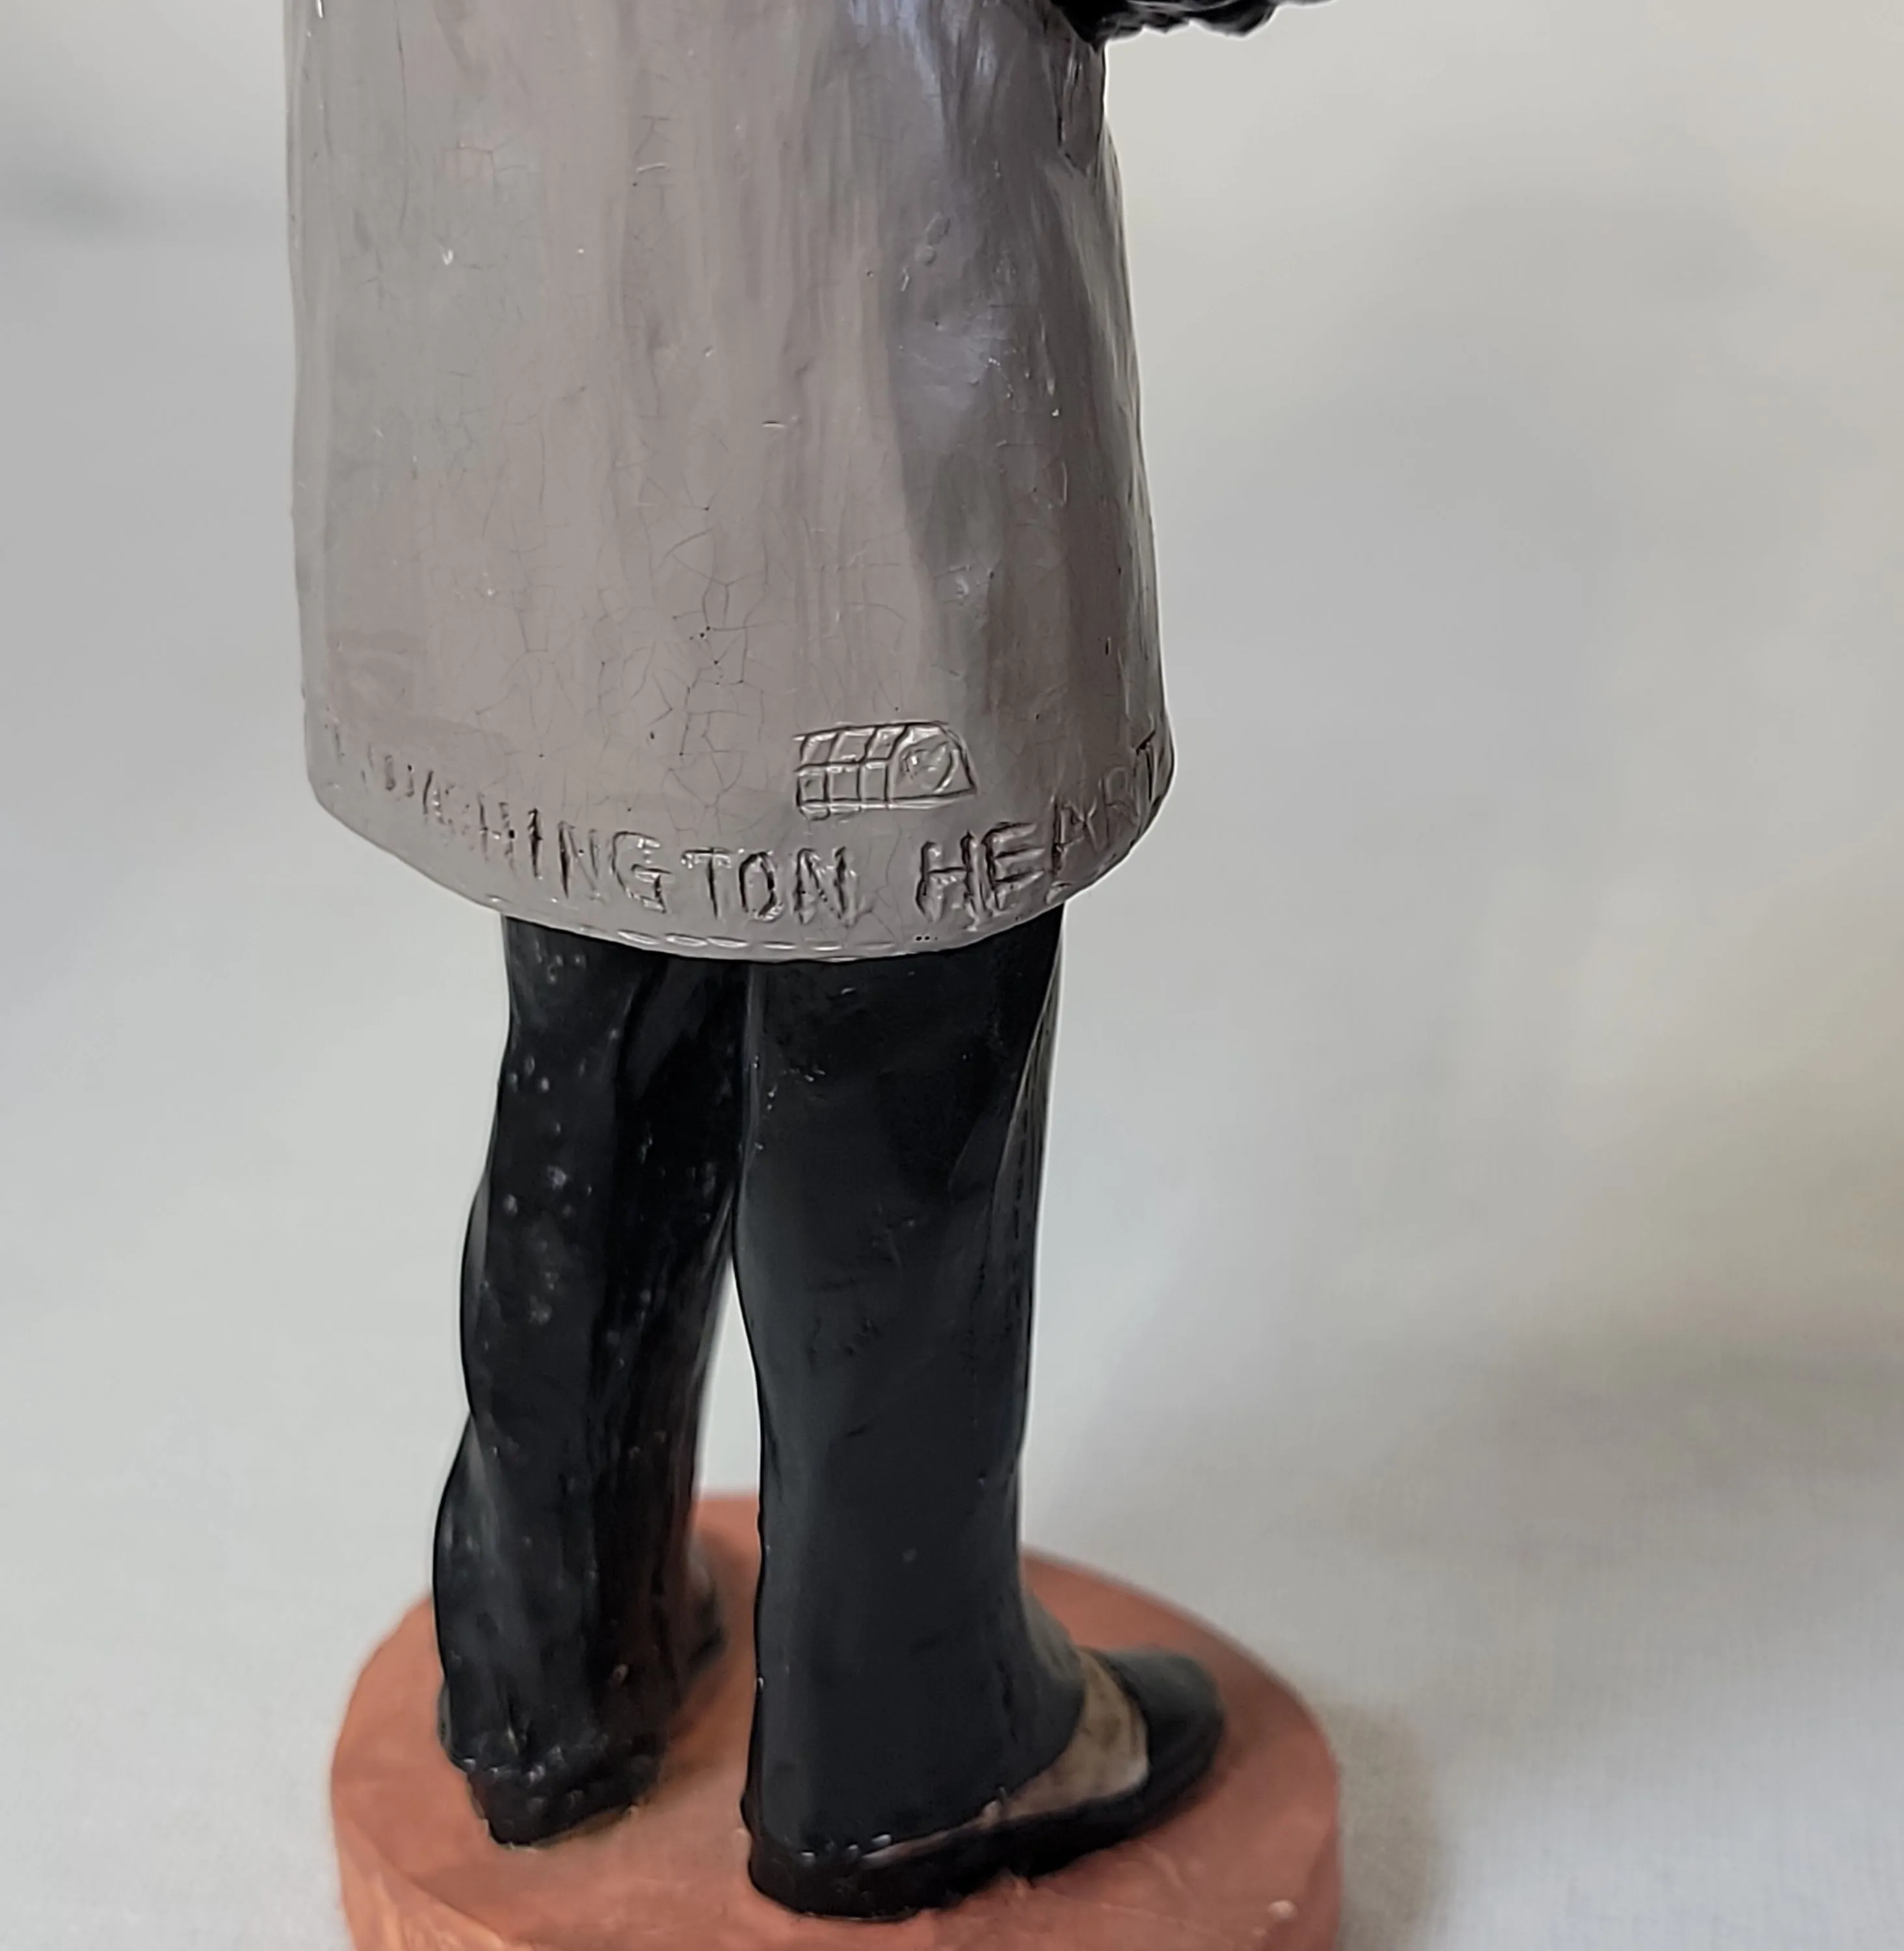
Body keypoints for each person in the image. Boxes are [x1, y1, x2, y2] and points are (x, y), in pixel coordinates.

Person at [285, 0, 1306, 1918]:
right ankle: (915, 1743)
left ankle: (546, 1663)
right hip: (838, 257)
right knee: (894, 1026)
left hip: (488, 251)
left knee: (597, 972)